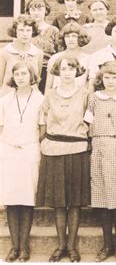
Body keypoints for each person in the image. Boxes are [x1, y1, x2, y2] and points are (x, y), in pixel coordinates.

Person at [36, 55, 90, 262]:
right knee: (59, 203)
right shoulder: (49, 94)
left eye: (71, 68)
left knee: (74, 203)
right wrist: (43, 141)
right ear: (58, 72)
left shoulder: (85, 94)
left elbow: (89, 121)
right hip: (54, 150)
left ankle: (72, 247)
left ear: (78, 71)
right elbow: (42, 119)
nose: (67, 72)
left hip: (77, 150)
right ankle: (60, 246)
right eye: (63, 69)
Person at [84, 61, 116, 262]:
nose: (110, 81)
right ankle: (107, 245)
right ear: (101, 79)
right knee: (102, 197)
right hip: (100, 149)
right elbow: (87, 125)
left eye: (114, 77)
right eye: (107, 77)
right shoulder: (94, 99)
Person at [0, 62, 44, 262]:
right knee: (10, 199)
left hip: (29, 150)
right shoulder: (5, 100)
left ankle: (25, 246)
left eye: (24, 73)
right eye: (16, 74)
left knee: (26, 200)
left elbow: (42, 128)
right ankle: (14, 246)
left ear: (31, 75)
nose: (20, 77)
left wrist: (30, 144)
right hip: (8, 151)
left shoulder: (40, 100)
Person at [0, 15, 43, 97]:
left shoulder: (38, 53)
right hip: (8, 99)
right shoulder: (3, 53)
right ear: (15, 31)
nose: (25, 34)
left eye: (28, 30)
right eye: (21, 30)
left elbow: (36, 80)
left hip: (31, 99)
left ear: (33, 32)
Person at [26, 0, 59, 93]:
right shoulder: (25, 30)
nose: (36, 13)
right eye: (33, 9)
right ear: (29, 11)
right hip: (29, 70)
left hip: (48, 71)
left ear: (46, 11)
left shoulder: (53, 30)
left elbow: (59, 53)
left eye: (40, 9)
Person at [45, 22, 90, 92]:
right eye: (67, 36)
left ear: (81, 38)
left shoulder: (88, 59)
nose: (70, 39)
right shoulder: (55, 58)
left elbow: (90, 88)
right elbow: (48, 88)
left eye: (74, 36)